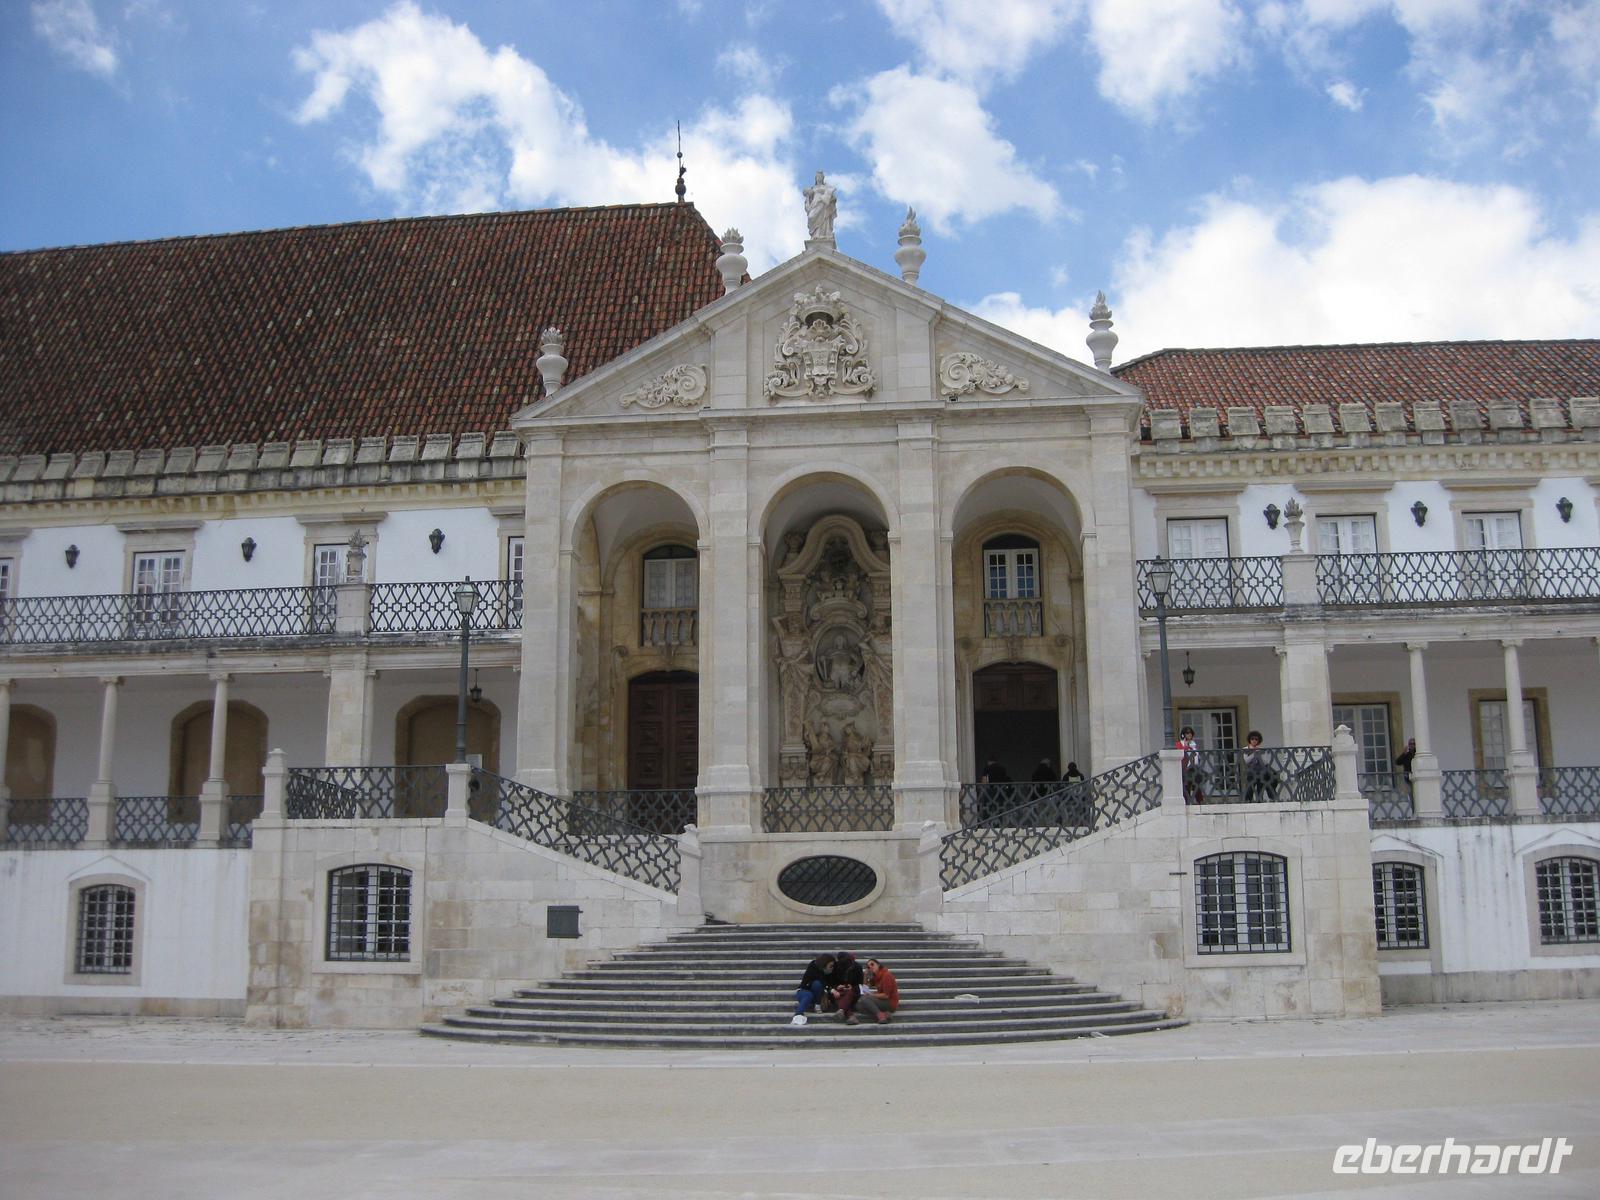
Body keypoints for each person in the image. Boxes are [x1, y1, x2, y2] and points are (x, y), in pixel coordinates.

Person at [791, 954, 835, 1026]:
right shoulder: (813, 966)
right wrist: (830, 989)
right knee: (811, 991)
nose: (832, 968)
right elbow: (819, 979)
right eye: (830, 966)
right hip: (804, 991)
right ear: (824, 965)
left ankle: (817, 1004)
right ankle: (798, 1015)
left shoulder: (831, 973)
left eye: (833, 966)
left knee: (817, 986)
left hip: (819, 995)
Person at [855, 957, 900, 1025]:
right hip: (882, 1000)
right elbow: (866, 986)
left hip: (890, 1003)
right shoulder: (876, 976)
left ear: (878, 965)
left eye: (872, 964)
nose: (871, 967)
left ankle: (881, 1016)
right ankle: (884, 1014)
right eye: (868, 967)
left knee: (864, 998)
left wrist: (871, 995)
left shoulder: (886, 975)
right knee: (858, 1006)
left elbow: (886, 996)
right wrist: (865, 975)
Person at [1241, 730, 1280, 802]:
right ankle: (1248, 800)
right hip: (1251, 771)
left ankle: (1260, 800)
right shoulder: (1246, 749)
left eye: (1256, 739)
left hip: (1261, 771)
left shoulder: (1260, 749)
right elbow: (1246, 760)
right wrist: (1254, 753)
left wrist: (1260, 754)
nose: (1254, 740)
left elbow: (1265, 762)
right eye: (1252, 739)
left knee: (1261, 785)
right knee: (1250, 787)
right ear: (1249, 739)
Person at [829, 950, 865, 1025]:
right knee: (839, 996)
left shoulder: (857, 967)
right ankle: (850, 1016)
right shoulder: (835, 967)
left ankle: (842, 1010)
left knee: (848, 993)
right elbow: (830, 982)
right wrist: (837, 987)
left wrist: (851, 986)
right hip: (838, 992)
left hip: (853, 992)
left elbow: (860, 984)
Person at [1178, 726, 1208, 804]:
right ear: (1183, 734)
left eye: (1191, 733)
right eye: (1187, 733)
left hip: (1195, 768)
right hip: (1185, 768)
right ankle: (1187, 802)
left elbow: (1197, 755)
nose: (1189, 734)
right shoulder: (1179, 744)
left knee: (1197, 784)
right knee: (1186, 786)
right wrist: (1186, 746)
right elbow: (1180, 753)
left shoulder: (1194, 744)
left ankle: (1199, 802)